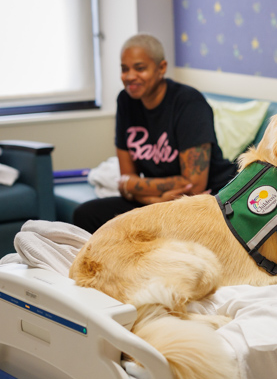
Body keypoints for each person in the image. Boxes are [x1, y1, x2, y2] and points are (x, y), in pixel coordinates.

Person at [73, 34, 236, 233]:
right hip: (158, 201)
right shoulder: (125, 101)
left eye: (140, 68)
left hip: (202, 201)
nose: (130, 76)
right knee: (86, 214)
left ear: (161, 68)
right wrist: (153, 200)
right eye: (124, 69)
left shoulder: (188, 103)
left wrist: (135, 185)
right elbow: (126, 178)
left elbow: (193, 184)